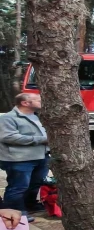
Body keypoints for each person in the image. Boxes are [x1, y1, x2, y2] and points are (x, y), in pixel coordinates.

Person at [0, 93, 49, 222]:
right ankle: (16, 212)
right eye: (37, 100)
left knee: (35, 184)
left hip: (41, 156)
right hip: (19, 159)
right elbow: (8, 137)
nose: (41, 101)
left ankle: (30, 204)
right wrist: (42, 140)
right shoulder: (8, 118)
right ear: (25, 103)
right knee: (18, 187)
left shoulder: (37, 116)